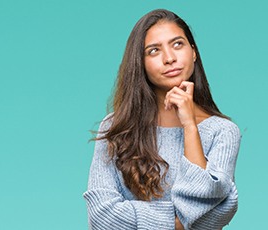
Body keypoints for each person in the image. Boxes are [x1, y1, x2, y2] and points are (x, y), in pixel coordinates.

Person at [83, 9, 241, 230]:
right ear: (141, 63)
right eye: (154, 50)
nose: (169, 58)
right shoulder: (116, 127)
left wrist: (189, 126)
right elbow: (102, 217)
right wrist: (177, 222)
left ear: (193, 52)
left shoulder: (223, 131)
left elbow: (210, 211)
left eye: (177, 44)